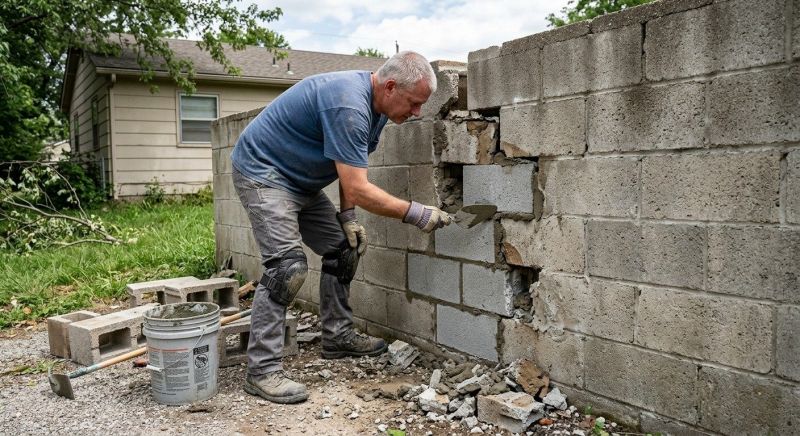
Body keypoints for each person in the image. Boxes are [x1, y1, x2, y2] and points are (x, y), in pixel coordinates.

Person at [230, 51, 452, 404]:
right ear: (391, 86)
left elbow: (348, 171)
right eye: (413, 103)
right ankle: (262, 371)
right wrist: (417, 214)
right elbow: (362, 189)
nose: (416, 113)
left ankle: (337, 336)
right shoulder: (349, 105)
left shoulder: (377, 109)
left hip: (300, 181)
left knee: (344, 249)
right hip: (264, 173)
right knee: (287, 268)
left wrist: (347, 219)